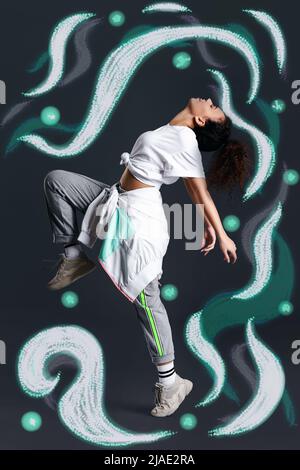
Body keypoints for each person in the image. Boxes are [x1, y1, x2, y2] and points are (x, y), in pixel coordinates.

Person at [43, 97, 251, 418]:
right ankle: (73, 256)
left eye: (213, 109)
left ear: (200, 122)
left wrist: (220, 232)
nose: (209, 101)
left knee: (147, 297)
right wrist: (208, 228)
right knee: (58, 181)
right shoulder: (172, 131)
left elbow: (199, 193)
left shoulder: (183, 140)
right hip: (115, 199)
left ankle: (170, 382)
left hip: (140, 218)